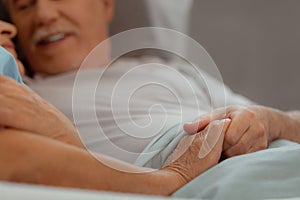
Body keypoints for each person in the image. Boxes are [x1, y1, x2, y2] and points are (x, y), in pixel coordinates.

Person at [1, 0, 300, 188]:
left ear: (106, 4)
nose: (43, 14)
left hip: (277, 157)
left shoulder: (169, 69)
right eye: (24, 6)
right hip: (216, 180)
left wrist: (269, 121)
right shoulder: (24, 94)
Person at [0, 20, 233, 195]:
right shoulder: (34, 91)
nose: (9, 28)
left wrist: (261, 120)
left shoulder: (168, 68)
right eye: (23, 6)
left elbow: (263, 117)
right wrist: (171, 179)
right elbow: (12, 155)